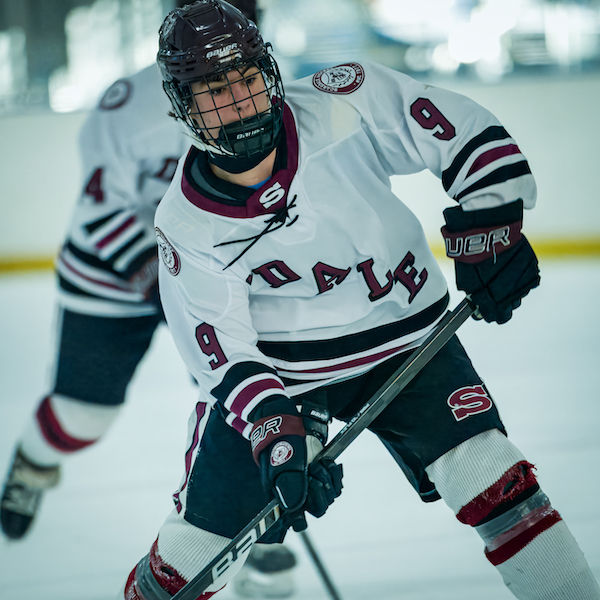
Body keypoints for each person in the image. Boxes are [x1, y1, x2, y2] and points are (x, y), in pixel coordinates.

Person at [121, 1, 600, 599]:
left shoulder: (344, 101)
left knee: (498, 482)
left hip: (407, 343)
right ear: (183, 106)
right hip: (285, 374)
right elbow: (220, 350)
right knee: (189, 560)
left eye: (247, 77)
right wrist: (276, 434)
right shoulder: (186, 223)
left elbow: (464, 133)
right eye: (215, 90)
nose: (240, 101)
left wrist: (493, 223)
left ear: (269, 73)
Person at [0, 1, 298, 597]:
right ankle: (33, 464)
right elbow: (100, 211)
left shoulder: (263, 88)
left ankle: (259, 535)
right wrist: (156, 278)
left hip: (215, 271)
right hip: (111, 280)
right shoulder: (124, 107)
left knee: (249, 399)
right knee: (82, 415)